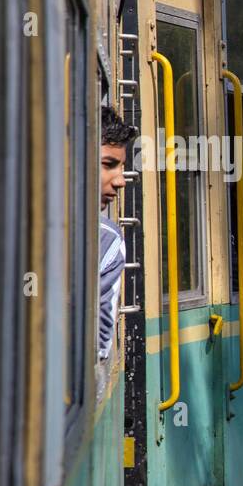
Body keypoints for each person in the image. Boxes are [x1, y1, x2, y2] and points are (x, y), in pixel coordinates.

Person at [98, 105, 135, 362]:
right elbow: (98, 347)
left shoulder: (106, 240)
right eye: (109, 164)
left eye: (121, 167)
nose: (121, 180)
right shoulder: (105, 240)